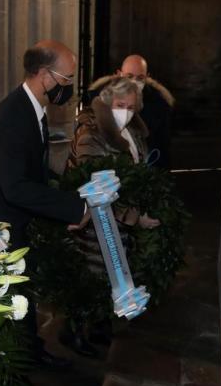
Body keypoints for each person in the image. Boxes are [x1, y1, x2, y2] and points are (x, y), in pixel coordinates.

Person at [0, 40, 89, 386]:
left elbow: (34, 175)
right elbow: (16, 186)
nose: (68, 85)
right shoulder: (11, 115)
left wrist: (66, 198)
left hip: (16, 220)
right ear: (43, 75)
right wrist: (73, 209)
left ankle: (34, 353)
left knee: (25, 296)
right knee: (10, 306)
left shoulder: (33, 108)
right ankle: (17, 384)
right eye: (65, 78)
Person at [62, 76, 159, 356]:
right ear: (107, 103)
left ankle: (99, 327)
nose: (125, 111)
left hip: (119, 222)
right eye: (119, 104)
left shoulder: (134, 132)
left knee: (108, 278)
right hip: (94, 223)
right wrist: (133, 217)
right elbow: (96, 187)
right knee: (89, 279)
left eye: (131, 106)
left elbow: (138, 173)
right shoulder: (90, 134)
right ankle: (73, 332)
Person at [117, 55, 175, 169]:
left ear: (147, 77)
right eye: (129, 76)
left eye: (140, 78)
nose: (134, 81)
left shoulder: (159, 105)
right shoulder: (103, 100)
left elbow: (162, 147)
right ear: (120, 74)